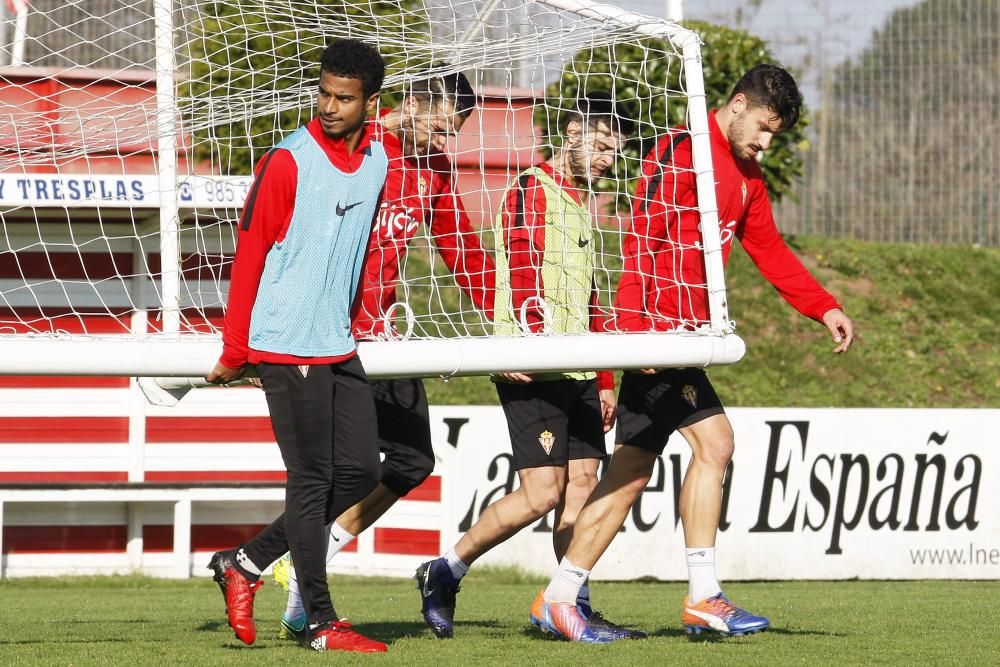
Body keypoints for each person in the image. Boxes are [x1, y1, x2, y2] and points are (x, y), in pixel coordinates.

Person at [530, 64, 855, 642]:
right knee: (717, 441)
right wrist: (633, 333)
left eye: (774, 134)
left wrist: (821, 305)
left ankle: (557, 598)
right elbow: (641, 238)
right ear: (736, 105)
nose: (764, 141)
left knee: (628, 475)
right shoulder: (680, 151)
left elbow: (769, 248)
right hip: (657, 337)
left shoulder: (748, 176)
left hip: (683, 338)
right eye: (761, 127)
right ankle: (704, 596)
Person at [271, 68, 496, 640]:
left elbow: (463, 252)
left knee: (412, 461)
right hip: (327, 337)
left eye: (457, 131)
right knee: (336, 473)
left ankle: (291, 565)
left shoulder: (434, 171)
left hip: (384, 341)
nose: (447, 141)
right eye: (443, 126)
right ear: (413, 103)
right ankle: (276, 573)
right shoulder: (356, 149)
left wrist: (504, 319)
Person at [415, 93, 643, 642]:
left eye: (615, 150)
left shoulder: (582, 204)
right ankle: (445, 570)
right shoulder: (529, 189)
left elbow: (590, 296)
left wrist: (606, 377)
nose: (607, 158)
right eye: (599, 143)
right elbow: (520, 269)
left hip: (581, 368)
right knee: (543, 493)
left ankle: (570, 602)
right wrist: (521, 344)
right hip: (530, 366)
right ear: (570, 133)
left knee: (584, 486)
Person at [203, 38, 390, 654]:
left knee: (363, 470)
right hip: (284, 342)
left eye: (344, 98)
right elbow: (250, 252)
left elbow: (357, 251)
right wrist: (236, 350)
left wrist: (359, 314)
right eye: (324, 94)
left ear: (370, 102)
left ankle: (246, 565)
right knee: (311, 479)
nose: (330, 107)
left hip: (337, 341)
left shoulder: (378, 162)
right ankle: (319, 621)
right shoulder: (287, 161)